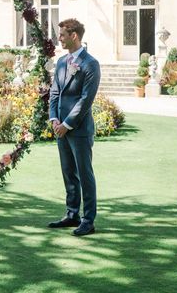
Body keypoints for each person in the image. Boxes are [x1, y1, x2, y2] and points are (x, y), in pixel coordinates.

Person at [48, 19, 101, 236]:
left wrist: (67, 124)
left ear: (74, 36)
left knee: (84, 174)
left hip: (78, 129)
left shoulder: (90, 64)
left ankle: (88, 220)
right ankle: (72, 214)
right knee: (68, 173)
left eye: (62, 34)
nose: (58, 38)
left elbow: (86, 100)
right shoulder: (61, 62)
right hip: (60, 127)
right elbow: (54, 93)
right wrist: (53, 119)